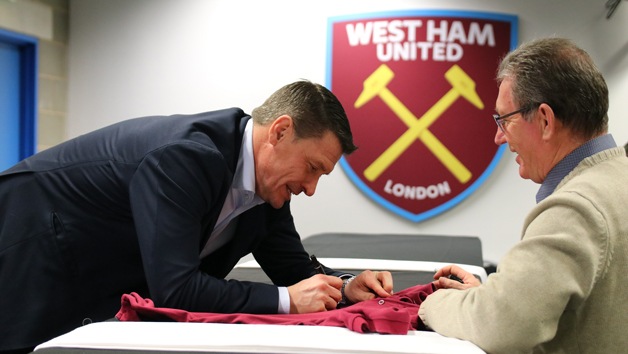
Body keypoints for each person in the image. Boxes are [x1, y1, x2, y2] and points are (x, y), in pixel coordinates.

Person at [0, 81, 393, 352]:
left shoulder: (268, 188)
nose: (310, 188)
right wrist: (286, 301)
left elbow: (294, 273)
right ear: (279, 132)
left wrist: (345, 288)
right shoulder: (186, 157)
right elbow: (175, 289)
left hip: (89, 269)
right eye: (312, 167)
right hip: (30, 244)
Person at [418, 38, 628, 353]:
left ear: (545, 120)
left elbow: (500, 327)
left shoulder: (575, 209)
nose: (499, 137)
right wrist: (491, 299)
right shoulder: (617, 179)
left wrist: (434, 302)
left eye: (505, 120)